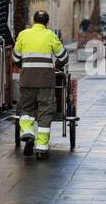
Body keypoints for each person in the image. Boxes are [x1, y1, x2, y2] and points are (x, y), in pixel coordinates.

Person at [12, 11, 69, 159]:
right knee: (45, 112)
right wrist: (56, 65)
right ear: (47, 23)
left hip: (27, 80)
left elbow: (15, 58)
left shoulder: (23, 34)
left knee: (26, 109)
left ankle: (28, 133)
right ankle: (41, 148)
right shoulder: (50, 35)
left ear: (33, 21)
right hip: (45, 81)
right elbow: (64, 57)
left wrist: (22, 65)